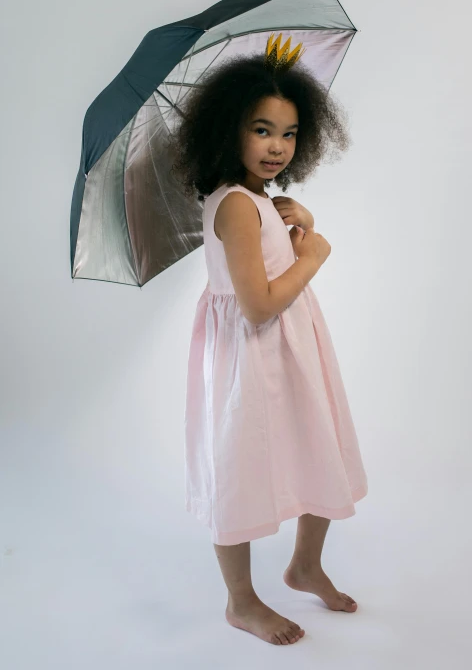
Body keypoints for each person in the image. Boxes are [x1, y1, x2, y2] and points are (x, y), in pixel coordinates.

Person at [170, 33, 369, 646]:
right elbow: (256, 306)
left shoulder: (255, 199)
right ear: (228, 130)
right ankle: (241, 601)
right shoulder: (235, 206)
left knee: (317, 445)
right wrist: (316, 257)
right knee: (241, 468)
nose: (277, 146)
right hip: (251, 357)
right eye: (261, 130)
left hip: (293, 350)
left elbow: (271, 250)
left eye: (287, 133)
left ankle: (304, 565)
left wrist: (297, 222)